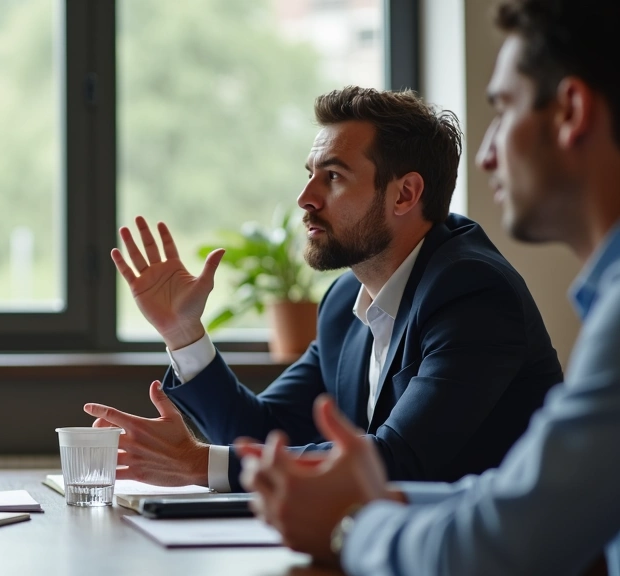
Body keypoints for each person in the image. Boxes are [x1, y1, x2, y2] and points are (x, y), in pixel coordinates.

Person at [239, 0, 620, 576]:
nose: (488, 154)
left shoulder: (474, 286)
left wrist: (351, 525)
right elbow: (496, 499)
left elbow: (492, 552)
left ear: (572, 112)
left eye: (502, 110)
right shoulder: (346, 303)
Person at [83, 86, 563, 492]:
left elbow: (400, 460)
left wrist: (199, 463)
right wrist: (185, 332)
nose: (305, 198)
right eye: (310, 174)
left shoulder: (471, 293)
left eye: (332, 177)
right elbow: (263, 431)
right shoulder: (342, 303)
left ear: (405, 194)